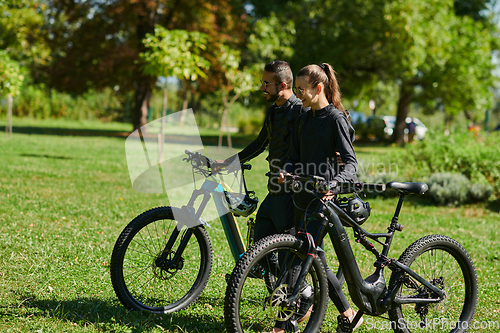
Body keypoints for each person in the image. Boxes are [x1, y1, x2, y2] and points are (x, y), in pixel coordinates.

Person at [275, 63, 362, 333]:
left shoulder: (335, 119)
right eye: (297, 89)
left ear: (319, 88)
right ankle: (348, 313)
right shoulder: (303, 118)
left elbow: (351, 163)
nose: (298, 94)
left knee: (297, 259)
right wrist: (286, 171)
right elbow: (293, 157)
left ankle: (281, 326)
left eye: (302, 89)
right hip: (301, 197)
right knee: (318, 262)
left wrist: (334, 184)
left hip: (324, 201)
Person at [222, 60, 304, 243]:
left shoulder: (301, 111)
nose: (261, 88)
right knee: (258, 247)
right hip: (274, 190)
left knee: (287, 259)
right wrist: (227, 163)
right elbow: (260, 144)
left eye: (266, 83)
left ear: (283, 85)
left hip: (293, 196)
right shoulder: (274, 111)